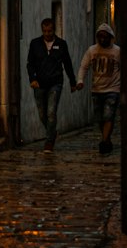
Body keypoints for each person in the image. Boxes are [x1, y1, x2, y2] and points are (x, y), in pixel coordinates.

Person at [26, 17, 77, 152]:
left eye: (49, 31)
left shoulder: (61, 44)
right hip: (39, 84)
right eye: (45, 31)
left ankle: (49, 141)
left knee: (51, 112)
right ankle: (52, 132)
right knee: (42, 114)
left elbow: (67, 64)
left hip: (55, 83)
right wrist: (32, 79)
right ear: (42, 30)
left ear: (54, 30)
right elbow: (30, 64)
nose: (47, 34)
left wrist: (73, 82)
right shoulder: (35, 44)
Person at [76, 22, 121, 155]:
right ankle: (107, 140)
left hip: (113, 89)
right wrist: (80, 81)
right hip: (97, 89)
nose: (102, 39)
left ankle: (104, 142)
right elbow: (84, 67)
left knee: (108, 115)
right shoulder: (92, 51)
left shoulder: (117, 51)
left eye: (105, 37)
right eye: (100, 37)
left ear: (110, 37)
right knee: (100, 119)